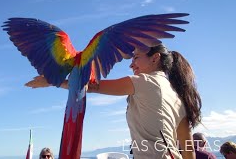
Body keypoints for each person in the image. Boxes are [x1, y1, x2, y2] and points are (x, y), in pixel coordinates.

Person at [27, 44, 202, 159]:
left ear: (155, 58)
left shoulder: (144, 82)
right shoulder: (178, 96)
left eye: (136, 57)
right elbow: (188, 150)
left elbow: (92, 87)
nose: (131, 64)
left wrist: (51, 81)